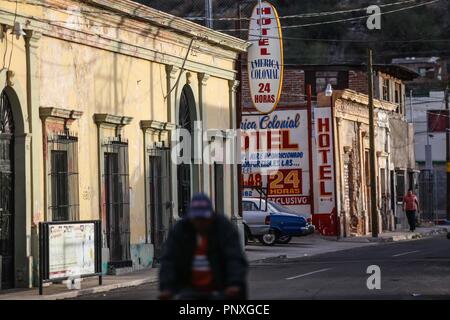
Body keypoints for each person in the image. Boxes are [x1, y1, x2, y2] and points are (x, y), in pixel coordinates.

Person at [158, 193, 248, 300]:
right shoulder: (180, 230)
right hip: (188, 288)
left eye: (204, 218)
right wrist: (167, 287)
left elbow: (233, 258)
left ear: (211, 216)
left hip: (219, 288)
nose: (200, 223)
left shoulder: (223, 228)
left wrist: (234, 283)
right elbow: (169, 259)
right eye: (197, 219)